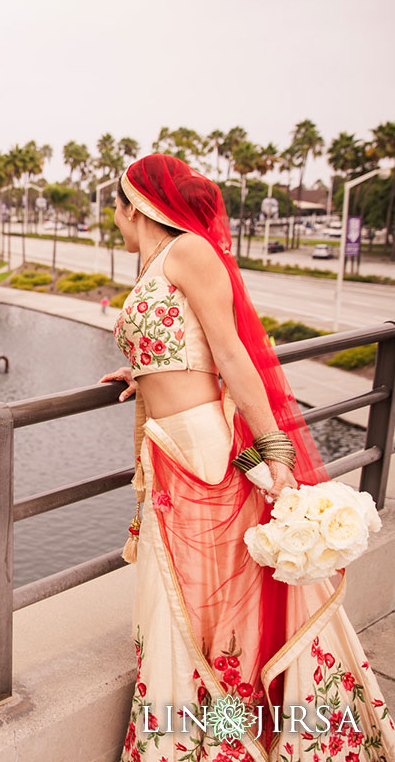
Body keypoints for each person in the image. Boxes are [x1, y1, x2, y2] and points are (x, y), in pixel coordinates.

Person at [103, 154, 395, 757]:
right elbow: (186, 345)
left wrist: (277, 450)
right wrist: (146, 369)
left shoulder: (188, 251)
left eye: (116, 207)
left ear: (135, 206)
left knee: (215, 618)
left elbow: (233, 356)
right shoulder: (156, 264)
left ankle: (230, 743)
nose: (114, 219)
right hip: (171, 457)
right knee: (186, 611)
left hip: (206, 459)